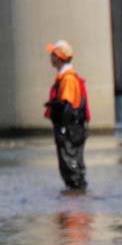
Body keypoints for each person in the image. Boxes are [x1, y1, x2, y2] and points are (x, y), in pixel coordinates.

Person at [43, 39, 90, 190]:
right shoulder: (66, 77)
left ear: (59, 57)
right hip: (72, 129)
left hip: (70, 130)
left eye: (53, 54)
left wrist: (63, 130)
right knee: (70, 166)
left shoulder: (68, 79)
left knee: (71, 167)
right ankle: (75, 201)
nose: (50, 57)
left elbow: (68, 106)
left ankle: (76, 205)